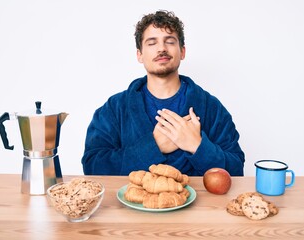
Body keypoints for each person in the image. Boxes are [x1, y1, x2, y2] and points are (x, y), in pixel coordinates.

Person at [82, 10, 245, 176]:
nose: (161, 48)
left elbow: (236, 169)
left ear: (182, 52)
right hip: (130, 201)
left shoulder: (211, 106)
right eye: (152, 43)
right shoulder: (115, 108)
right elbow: (92, 165)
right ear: (140, 54)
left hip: (199, 202)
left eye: (170, 42)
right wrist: (153, 147)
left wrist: (197, 146)